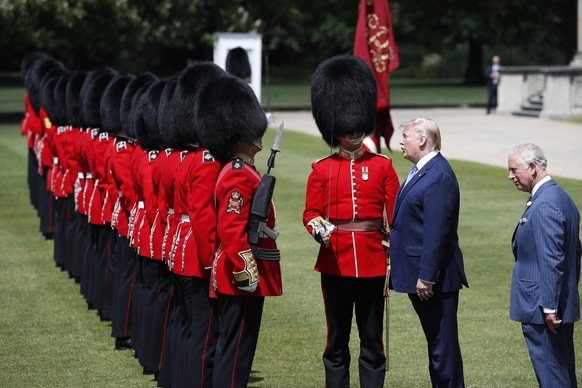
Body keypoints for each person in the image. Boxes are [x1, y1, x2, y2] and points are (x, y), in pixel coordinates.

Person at [303, 55, 400, 388]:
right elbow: (310, 212)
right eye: (346, 129)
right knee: (336, 340)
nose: (353, 133)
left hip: (374, 262)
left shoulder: (383, 167)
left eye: (357, 127)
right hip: (334, 260)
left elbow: (397, 216)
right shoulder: (321, 169)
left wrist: (396, 258)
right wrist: (318, 227)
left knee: (372, 341)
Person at [197, 74, 283, 388]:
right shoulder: (237, 175)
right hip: (238, 276)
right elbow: (231, 230)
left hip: (237, 274)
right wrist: (247, 268)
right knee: (235, 354)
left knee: (236, 350)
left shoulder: (242, 170)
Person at [390, 118, 468, 387]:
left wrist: (427, 277)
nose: (401, 141)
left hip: (434, 281)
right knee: (437, 346)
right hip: (422, 276)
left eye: (406, 136)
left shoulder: (438, 175)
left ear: (422, 140)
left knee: (442, 350)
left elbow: (437, 232)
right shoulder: (424, 170)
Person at [507, 143, 581, 388]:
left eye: (514, 170)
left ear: (532, 167)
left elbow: (552, 260)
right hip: (551, 305)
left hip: (543, 310)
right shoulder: (556, 196)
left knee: (553, 378)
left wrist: (550, 307)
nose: (510, 176)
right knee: (560, 374)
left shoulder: (547, 203)